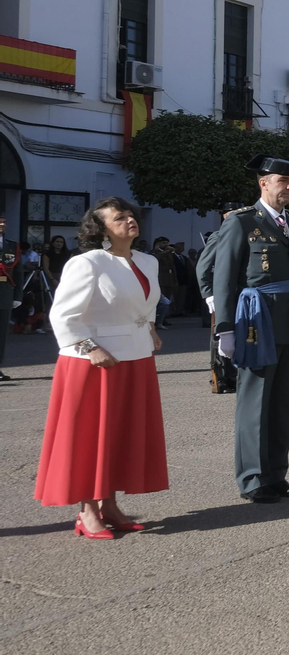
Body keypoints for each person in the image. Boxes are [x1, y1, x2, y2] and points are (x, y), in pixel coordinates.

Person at [35, 197, 168, 538]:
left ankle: (110, 505)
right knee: (91, 437)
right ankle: (87, 511)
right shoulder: (87, 263)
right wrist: (89, 347)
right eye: (119, 218)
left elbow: (144, 304)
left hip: (136, 358)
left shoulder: (147, 261)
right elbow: (62, 315)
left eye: (130, 215)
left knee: (122, 434)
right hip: (95, 362)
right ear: (100, 229)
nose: (129, 221)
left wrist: (150, 329)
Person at [211, 154, 289, 504]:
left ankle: (276, 474)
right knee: (255, 401)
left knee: (285, 402)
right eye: (283, 181)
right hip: (258, 320)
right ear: (264, 183)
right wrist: (225, 329)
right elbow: (224, 277)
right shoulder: (241, 222)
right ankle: (253, 478)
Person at [197, 220, 239, 395]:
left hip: (242, 294)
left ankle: (236, 375)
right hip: (222, 294)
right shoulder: (219, 236)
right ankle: (221, 377)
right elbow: (203, 266)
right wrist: (208, 294)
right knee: (220, 335)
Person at [0, 215, 18, 380]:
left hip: (4, 294)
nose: (2, 224)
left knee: (1, 335)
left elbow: (17, 272)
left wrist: (17, 296)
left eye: (4, 221)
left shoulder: (11, 246)